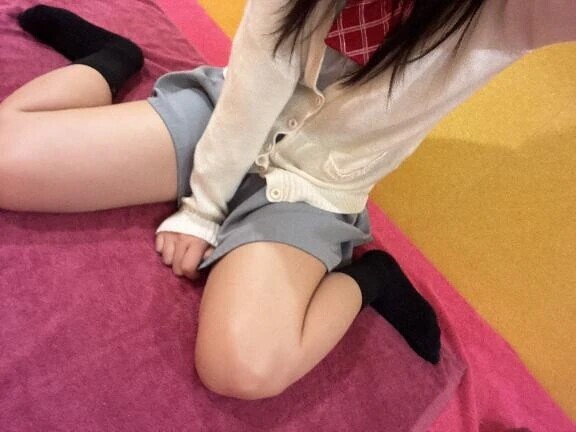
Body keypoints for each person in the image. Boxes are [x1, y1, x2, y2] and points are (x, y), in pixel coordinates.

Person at [0, 0, 573, 400]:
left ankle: (373, 280)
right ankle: (110, 61)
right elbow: (258, 73)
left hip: (316, 186)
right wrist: (204, 207)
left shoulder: (506, 16)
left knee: (242, 368)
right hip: (232, 119)